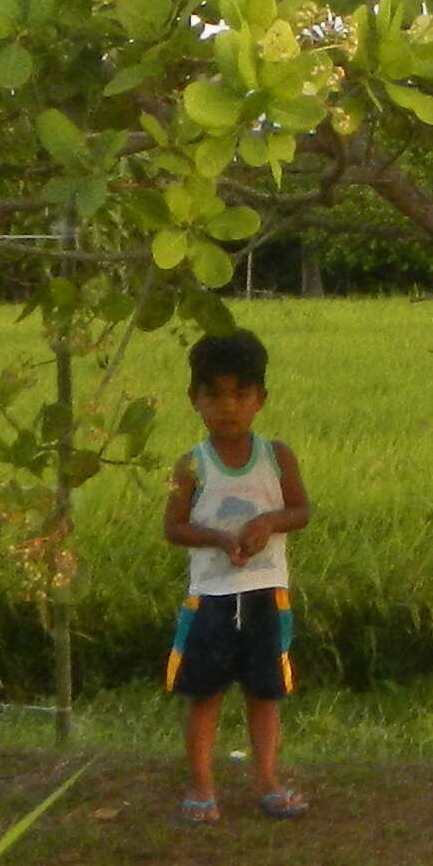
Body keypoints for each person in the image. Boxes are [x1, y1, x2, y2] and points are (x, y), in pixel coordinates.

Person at [161, 325, 310, 821]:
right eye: (215, 395)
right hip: (210, 596)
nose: (227, 406)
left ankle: (267, 782)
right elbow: (173, 527)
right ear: (194, 399)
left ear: (260, 399)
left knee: (265, 693)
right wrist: (217, 538)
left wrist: (268, 522)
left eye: (240, 394)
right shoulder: (192, 466)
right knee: (203, 694)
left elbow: (301, 512)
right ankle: (202, 789)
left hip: (267, 593)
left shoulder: (277, 456)